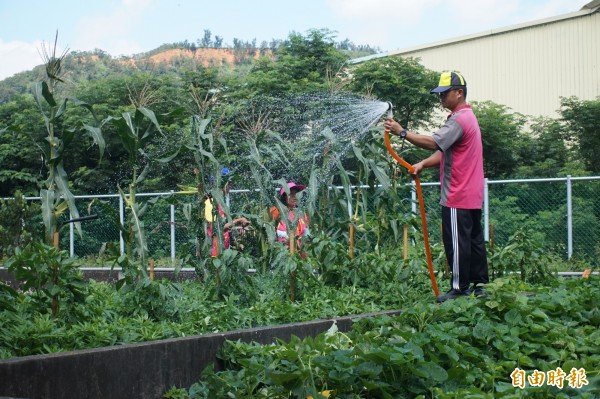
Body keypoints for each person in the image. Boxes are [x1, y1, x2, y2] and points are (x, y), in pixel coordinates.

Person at [383, 71, 489, 303]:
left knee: (457, 242)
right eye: (439, 94)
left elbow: (433, 142)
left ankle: (459, 289)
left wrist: (402, 132)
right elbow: (445, 152)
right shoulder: (468, 118)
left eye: (444, 93)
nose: (441, 98)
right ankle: (480, 286)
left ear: (459, 93)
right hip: (471, 193)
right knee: (473, 241)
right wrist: (422, 164)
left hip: (456, 194)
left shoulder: (459, 119)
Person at [204, 175, 250, 257]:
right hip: (214, 252)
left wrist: (239, 226)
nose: (231, 187)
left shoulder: (220, 204)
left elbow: (224, 226)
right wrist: (237, 221)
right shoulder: (210, 204)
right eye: (229, 184)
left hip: (222, 250)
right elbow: (215, 229)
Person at [270, 182, 310, 251]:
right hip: (284, 253)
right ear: (284, 197)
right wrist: (287, 236)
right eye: (291, 194)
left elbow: (306, 233)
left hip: (301, 254)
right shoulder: (276, 211)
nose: (295, 197)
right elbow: (270, 229)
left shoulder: (302, 214)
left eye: (296, 194)